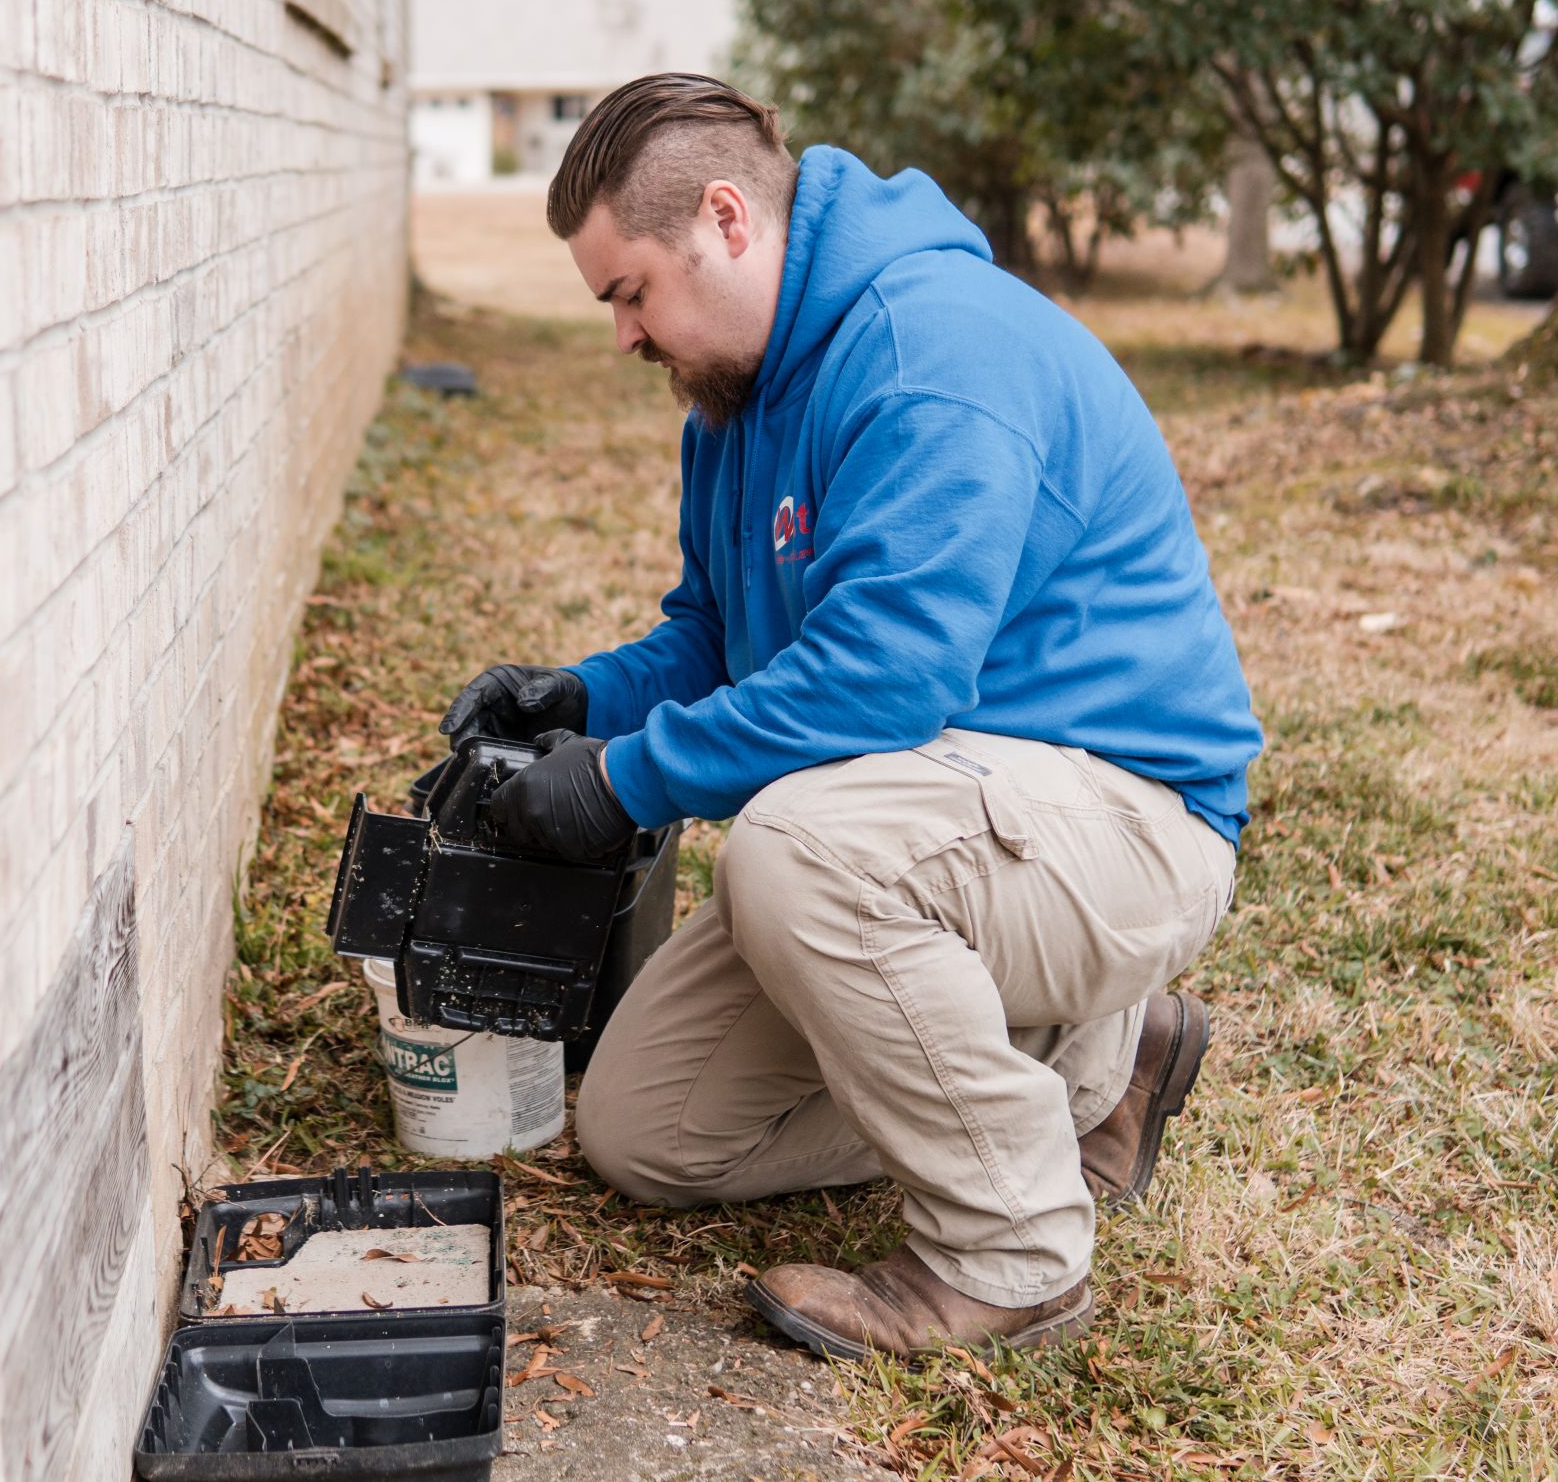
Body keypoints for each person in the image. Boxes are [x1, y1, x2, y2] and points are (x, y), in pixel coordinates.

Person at [438, 73, 1263, 1363]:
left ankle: (1010, 1254)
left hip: (1127, 824)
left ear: (725, 219)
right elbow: (719, 636)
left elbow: (883, 678)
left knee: (793, 850)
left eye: (628, 292)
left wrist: (623, 782)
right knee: (647, 1129)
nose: (623, 337)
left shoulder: (933, 352)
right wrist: (582, 700)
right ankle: (1092, 1065)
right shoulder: (732, 391)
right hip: (951, 823)